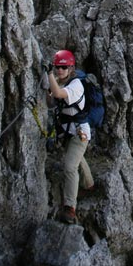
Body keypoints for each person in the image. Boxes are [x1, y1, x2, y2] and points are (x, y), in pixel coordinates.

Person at [47, 49, 94, 224]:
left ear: (71, 68)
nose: (60, 70)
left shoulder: (76, 85)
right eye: (57, 67)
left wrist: (49, 74)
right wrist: (50, 83)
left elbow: (58, 95)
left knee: (69, 167)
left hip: (79, 133)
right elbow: (51, 101)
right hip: (68, 131)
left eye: (64, 67)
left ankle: (70, 208)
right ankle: (89, 185)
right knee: (77, 159)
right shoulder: (61, 81)